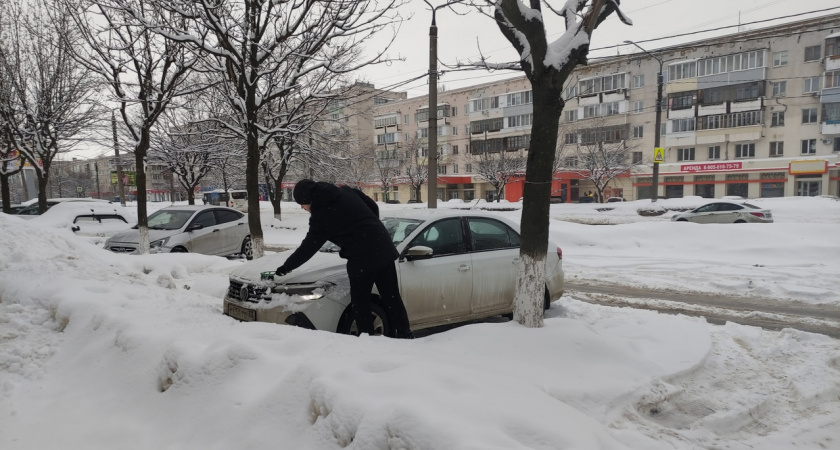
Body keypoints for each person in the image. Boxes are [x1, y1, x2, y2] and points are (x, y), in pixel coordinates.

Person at [274, 179, 413, 339]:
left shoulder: (322, 215)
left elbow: (308, 248)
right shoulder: (345, 191)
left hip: (361, 256)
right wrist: (369, 229)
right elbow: (373, 206)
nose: (302, 208)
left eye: (302, 204)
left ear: (309, 199)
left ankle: (367, 339)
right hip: (383, 246)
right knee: (391, 297)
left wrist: (287, 266)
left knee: (361, 302)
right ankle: (405, 335)